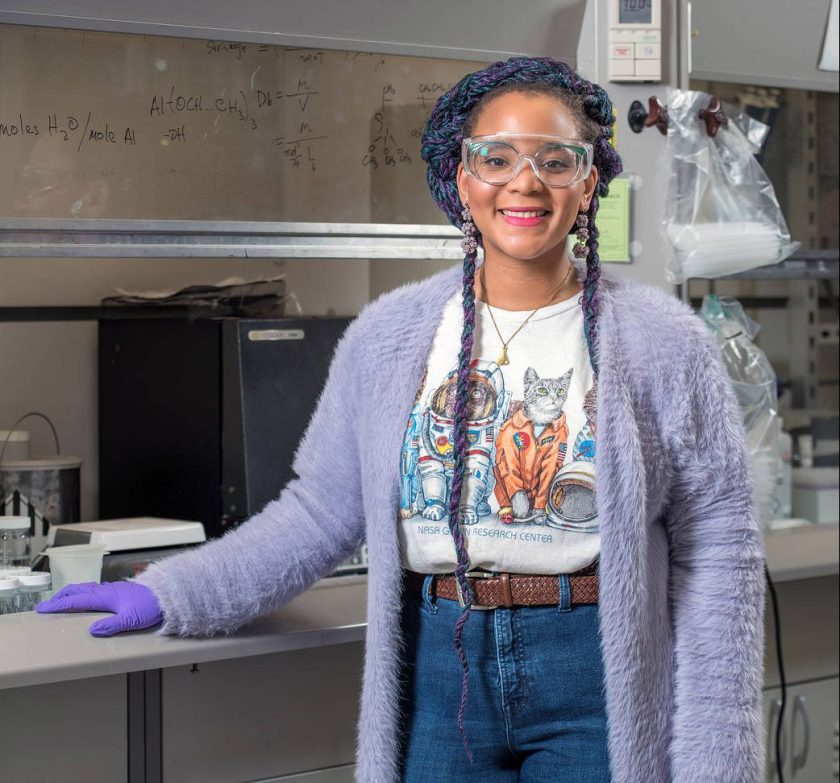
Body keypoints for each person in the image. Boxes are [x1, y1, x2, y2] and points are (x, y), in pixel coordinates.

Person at [38, 56, 766, 782]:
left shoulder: (665, 343)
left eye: (555, 159)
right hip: (438, 663)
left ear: (589, 182)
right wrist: (171, 590)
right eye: (497, 157)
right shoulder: (389, 335)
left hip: (594, 662)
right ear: (461, 177)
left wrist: (719, 758)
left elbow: (719, 551)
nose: (525, 181)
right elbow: (319, 510)